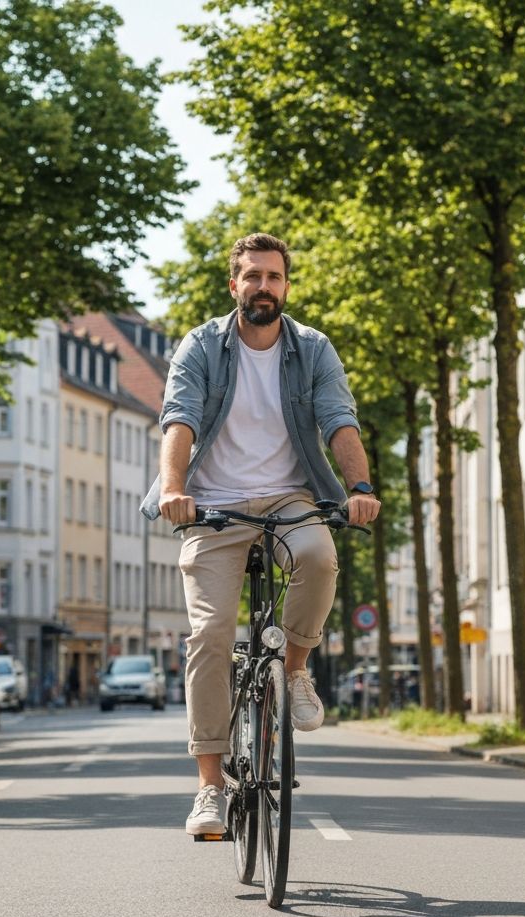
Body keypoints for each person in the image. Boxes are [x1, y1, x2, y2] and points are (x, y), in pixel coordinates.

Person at [140, 232, 381, 836]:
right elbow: (180, 419)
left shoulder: (314, 349)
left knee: (319, 557)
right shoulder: (200, 346)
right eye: (252, 276)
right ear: (234, 284)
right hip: (212, 505)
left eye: (273, 277)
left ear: (286, 287)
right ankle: (209, 788)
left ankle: (295, 668)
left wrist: (358, 489)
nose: (263, 287)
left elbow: (338, 419)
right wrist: (174, 491)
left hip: (290, 496)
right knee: (211, 633)